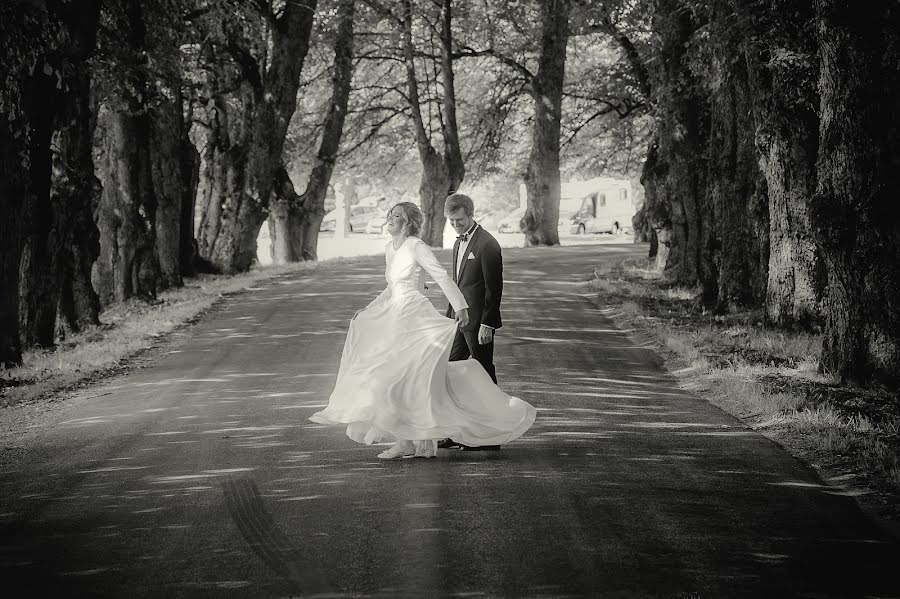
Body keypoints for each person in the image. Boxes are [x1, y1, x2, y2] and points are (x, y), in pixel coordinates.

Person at [309, 202, 535, 460]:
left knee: (404, 378)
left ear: (408, 222)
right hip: (394, 317)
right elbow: (391, 287)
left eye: (397, 216)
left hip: (414, 318)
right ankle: (409, 440)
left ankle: (416, 439)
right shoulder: (389, 249)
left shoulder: (416, 246)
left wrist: (461, 306)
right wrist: (368, 308)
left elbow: (440, 276)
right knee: (399, 379)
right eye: (390, 214)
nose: (390, 218)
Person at [439, 193, 505, 451]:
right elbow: (457, 284)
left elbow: (494, 289)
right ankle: (457, 433)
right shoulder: (457, 243)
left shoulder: (488, 244)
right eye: (451, 221)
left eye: (459, 219)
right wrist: (449, 318)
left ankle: (492, 436)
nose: (455, 225)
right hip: (458, 321)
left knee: (484, 375)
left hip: (479, 323)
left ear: (470, 213)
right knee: (450, 372)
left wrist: (488, 324)